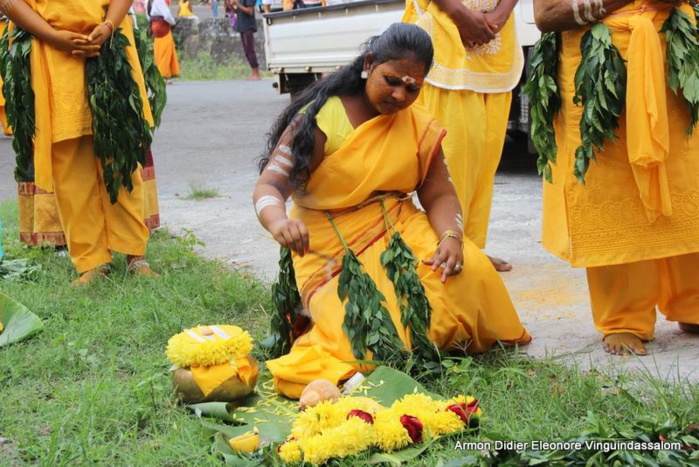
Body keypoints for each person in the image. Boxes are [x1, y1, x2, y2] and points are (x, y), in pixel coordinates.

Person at [253, 23, 531, 398]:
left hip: (399, 224)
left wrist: (452, 237)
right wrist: (278, 222)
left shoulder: (418, 125)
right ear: (369, 63)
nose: (400, 95)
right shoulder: (320, 118)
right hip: (328, 243)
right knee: (366, 336)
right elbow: (269, 186)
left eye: (412, 87)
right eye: (391, 80)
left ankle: (432, 339)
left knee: (472, 272)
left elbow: (439, 195)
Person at [532, 0, 699, 355]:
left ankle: (693, 305)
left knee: (686, 177)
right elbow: (546, 16)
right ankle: (623, 319)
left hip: (674, 57)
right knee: (610, 187)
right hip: (596, 68)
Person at [0, 0, 158, 285]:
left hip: (108, 42)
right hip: (51, 49)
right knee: (69, 159)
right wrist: (53, 37)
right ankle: (92, 261)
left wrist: (109, 25)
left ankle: (136, 254)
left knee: (118, 147)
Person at [403, 0, 522, 272]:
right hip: (444, 31)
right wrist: (461, 15)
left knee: (484, 158)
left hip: (495, 43)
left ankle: (471, 247)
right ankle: (443, 243)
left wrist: (500, 14)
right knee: (452, 155)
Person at [148, 0, 180, 84]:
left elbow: (149, 15)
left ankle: (160, 74)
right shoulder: (160, 1)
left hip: (154, 25)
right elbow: (167, 16)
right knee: (166, 51)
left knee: (158, 49)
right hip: (162, 26)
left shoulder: (153, 2)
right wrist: (173, 23)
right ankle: (163, 75)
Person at [229, 0, 260, 80]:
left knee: (250, 49)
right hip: (241, 25)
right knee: (246, 51)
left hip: (248, 25)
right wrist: (231, 6)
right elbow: (238, 11)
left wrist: (237, 3)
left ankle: (256, 73)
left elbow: (250, 11)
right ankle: (253, 72)